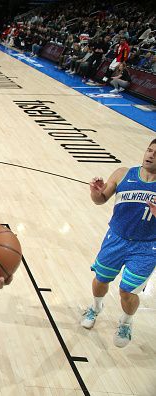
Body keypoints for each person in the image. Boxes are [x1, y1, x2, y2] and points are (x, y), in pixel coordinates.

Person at [81, 139, 156, 348]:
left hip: (147, 247)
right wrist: (95, 192)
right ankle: (96, 307)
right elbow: (100, 199)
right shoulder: (123, 173)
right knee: (100, 280)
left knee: (127, 291)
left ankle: (126, 322)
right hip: (116, 239)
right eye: (149, 150)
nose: (150, 155)